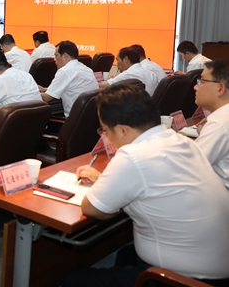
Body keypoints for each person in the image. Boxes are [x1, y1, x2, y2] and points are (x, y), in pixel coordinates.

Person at [64, 84, 229, 287]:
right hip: (218, 264)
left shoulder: (133, 155)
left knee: (74, 280)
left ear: (122, 130)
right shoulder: (179, 140)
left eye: (104, 130)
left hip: (183, 279)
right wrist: (104, 180)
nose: (105, 136)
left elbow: (92, 209)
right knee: (126, 255)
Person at [193, 59, 229, 191]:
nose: (196, 87)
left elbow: (189, 167)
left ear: (220, 88)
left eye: (202, 81)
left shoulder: (220, 124)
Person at [40, 41, 99, 117]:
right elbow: (73, 87)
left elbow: (46, 98)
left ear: (65, 56)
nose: (54, 59)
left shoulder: (65, 71)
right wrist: (44, 89)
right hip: (90, 118)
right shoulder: (86, 69)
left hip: (74, 119)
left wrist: (31, 91)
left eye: (56, 56)